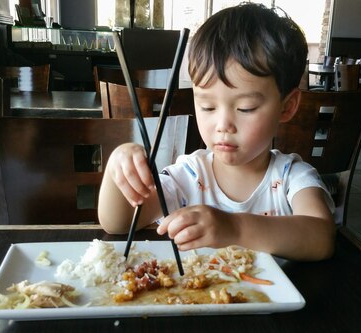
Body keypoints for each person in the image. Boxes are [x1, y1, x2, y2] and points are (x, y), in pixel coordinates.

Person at [98, 3, 336, 261]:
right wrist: (117, 167)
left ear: (287, 107)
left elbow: (321, 238)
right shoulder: (189, 175)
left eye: (246, 108)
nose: (223, 124)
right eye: (207, 106)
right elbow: (117, 223)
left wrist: (234, 227)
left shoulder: (292, 177)